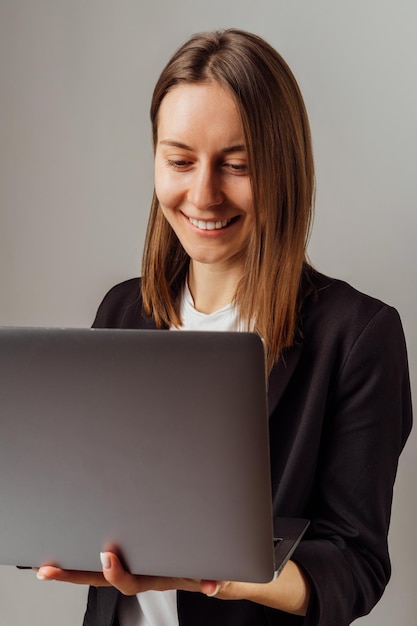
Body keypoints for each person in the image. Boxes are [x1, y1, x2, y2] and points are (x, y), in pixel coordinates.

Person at [36, 28, 412, 626]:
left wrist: (218, 577)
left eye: (236, 165)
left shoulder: (358, 336)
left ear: (285, 170)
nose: (203, 194)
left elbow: (356, 567)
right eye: (180, 161)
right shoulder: (120, 313)